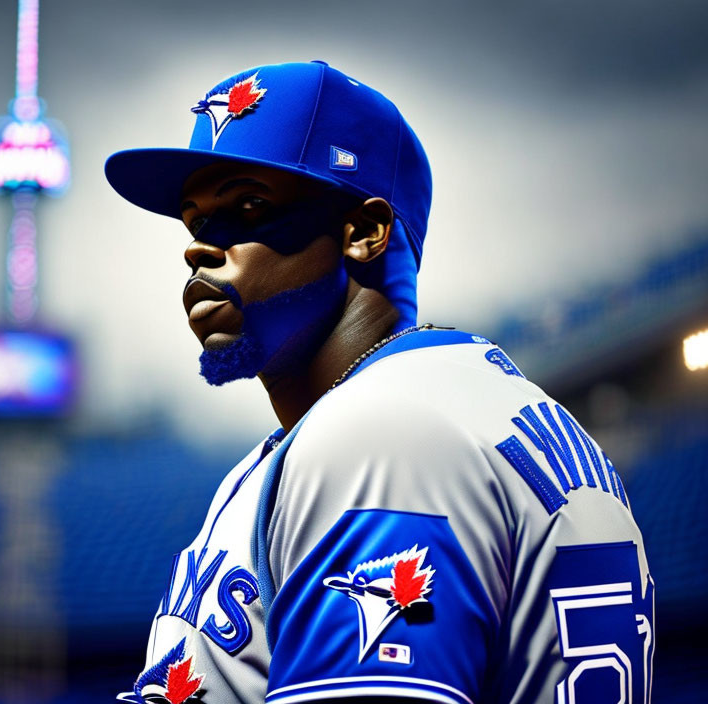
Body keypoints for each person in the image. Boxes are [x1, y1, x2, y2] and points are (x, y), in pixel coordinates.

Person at [104, 61, 654, 704]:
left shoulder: (383, 436)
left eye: (247, 207)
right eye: (196, 221)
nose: (198, 247)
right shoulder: (465, 412)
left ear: (365, 232)